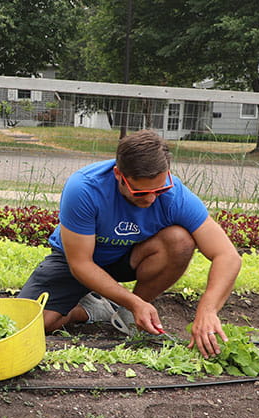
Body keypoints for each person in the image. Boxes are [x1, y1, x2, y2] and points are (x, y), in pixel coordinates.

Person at [17, 130, 241, 358]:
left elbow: (228, 256)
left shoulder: (175, 195)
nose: (152, 199)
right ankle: (92, 309)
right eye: (141, 192)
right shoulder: (84, 188)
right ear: (118, 174)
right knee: (34, 323)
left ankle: (127, 312)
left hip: (128, 257)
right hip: (78, 259)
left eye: (159, 190)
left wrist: (207, 310)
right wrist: (133, 301)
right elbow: (80, 264)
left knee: (180, 240)